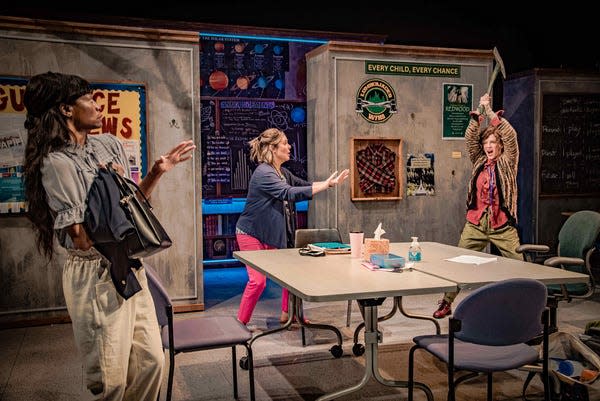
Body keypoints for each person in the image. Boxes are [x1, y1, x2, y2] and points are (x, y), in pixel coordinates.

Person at [22, 71, 195, 400]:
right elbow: (82, 239)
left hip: (128, 264)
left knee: (151, 363)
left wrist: (156, 173)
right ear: (66, 110)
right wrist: (106, 189)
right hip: (94, 272)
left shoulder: (107, 144)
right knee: (110, 378)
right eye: (87, 98)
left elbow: (131, 207)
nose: (96, 103)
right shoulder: (56, 164)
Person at [235, 128, 349, 326]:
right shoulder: (264, 172)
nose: (289, 147)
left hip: (271, 234)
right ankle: (240, 324)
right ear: (272, 148)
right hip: (251, 234)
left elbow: (304, 185)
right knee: (258, 281)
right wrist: (326, 185)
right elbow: (289, 193)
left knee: (292, 273)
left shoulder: (282, 172)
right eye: (285, 143)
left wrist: (330, 183)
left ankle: (290, 315)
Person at [433, 93, 523, 319]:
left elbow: (510, 135)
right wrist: (478, 116)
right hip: (476, 223)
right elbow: (470, 139)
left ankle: (529, 306)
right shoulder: (479, 160)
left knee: (520, 267)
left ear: (500, 145)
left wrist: (490, 112)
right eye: (486, 143)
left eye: (493, 142)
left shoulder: (508, 160)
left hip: (502, 225)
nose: (488, 146)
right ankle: (447, 302)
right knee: (459, 263)